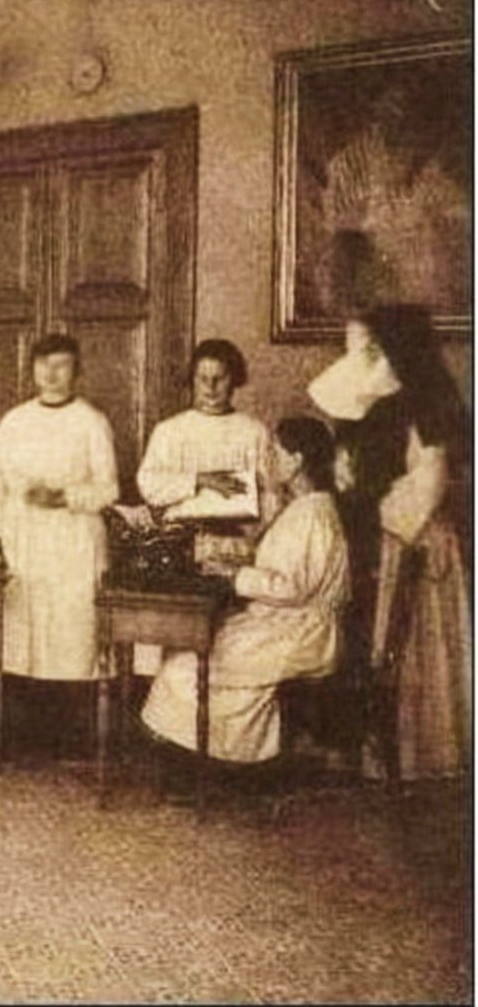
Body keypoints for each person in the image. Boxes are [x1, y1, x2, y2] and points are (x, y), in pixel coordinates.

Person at [309, 304, 470, 780]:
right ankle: (362, 751)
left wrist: (372, 507)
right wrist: (346, 480)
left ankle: (415, 755)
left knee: (407, 646)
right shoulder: (367, 404)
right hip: (371, 532)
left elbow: (428, 485)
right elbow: (349, 467)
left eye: (372, 348)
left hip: (411, 540)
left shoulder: (425, 406)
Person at [141, 418, 350, 763]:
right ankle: (223, 758)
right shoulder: (304, 508)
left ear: (296, 461)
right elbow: (284, 568)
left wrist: (233, 576)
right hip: (287, 624)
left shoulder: (312, 514)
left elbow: (290, 587)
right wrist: (234, 563)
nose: (268, 458)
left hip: (301, 633)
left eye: (275, 451)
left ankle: (222, 764)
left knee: (188, 667)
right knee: (199, 653)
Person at [0, 334, 118, 683]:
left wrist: (63, 498)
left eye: (62, 365)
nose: (52, 373)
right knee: (21, 633)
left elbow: (109, 489)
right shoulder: (13, 421)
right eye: (44, 365)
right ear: (32, 370)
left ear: (77, 372)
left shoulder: (91, 421)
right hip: (23, 539)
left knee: (71, 635)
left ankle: (72, 707)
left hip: (72, 542)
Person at [137, 339, 277, 527]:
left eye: (220, 378)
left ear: (234, 379)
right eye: (202, 378)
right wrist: (200, 480)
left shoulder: (254, 431)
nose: (210, 387)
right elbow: (148, 486)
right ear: (192, 380)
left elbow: (271, 494)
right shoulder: (169, 430)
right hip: (180, 536)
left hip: (238, 539)